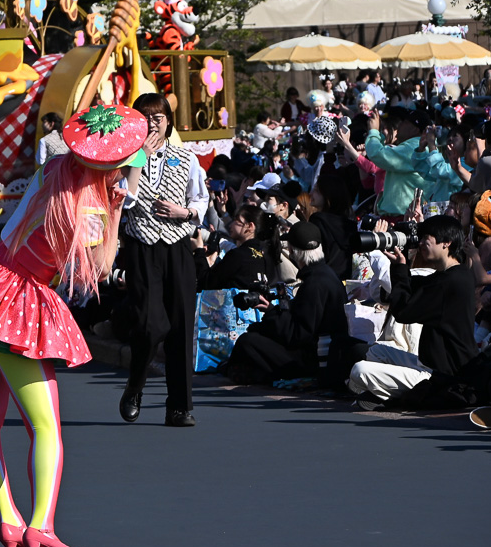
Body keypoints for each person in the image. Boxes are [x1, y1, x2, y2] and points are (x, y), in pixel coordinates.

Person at [0, 103, 142, 547]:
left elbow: (18, 225)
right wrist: (120, 209)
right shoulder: (95, 210)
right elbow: (100, 269)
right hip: (20, 300)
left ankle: (8, 517)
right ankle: (42, 526)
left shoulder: (53, 172)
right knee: (45, 425)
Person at [115, 92, 208, 427]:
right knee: (150, 323)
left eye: (159, 117)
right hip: (141, 246)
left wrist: (185, 211)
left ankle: (180, 406)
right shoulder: (124, 159)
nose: (153, 123)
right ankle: (135, 384)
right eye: (145, 117)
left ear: (169, 122)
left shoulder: (186, 158)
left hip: (178, 245)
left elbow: (201, 198)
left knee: (181, 325)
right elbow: (126, 203)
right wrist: (138, 159)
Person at [346, 215, 481, 402]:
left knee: (359, 370)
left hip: (442, 376)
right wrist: (398, 265)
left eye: (428, 238)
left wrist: (400, 269)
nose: (422, 243)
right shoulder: (455, 274)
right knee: (373, 352)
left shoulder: (450, 281)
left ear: (447, 243)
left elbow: (403, 312)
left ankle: (398, 395)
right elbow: (411, 285)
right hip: (428, 365)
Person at [225, 224, 358, 386]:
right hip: (323, 353)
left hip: (313, 361)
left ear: (293, 251)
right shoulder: (326, 275)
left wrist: (272, 311)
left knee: (248, 341)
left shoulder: (314, 283)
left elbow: (296, 336)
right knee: (256, 334)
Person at [364, 105, 456, 220]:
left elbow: (378, 155)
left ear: (416, 129)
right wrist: (380, 134)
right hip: (402, 215)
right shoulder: (415, 146)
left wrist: (373, 131)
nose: (400, 126)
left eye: (405, 122)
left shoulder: (413, 146)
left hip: (403, 217)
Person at [199, 204, 269, 292]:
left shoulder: (238, 255)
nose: (231, 225)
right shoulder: (262, 257)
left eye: (236, 220)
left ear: (250, 226)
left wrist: (199, 252)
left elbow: (206, 283)